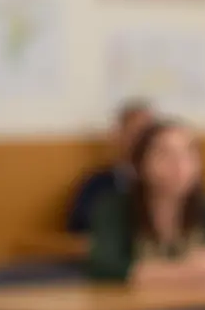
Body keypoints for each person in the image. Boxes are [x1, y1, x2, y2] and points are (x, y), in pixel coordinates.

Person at [87, 120, 205, 286]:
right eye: (165, 154)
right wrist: (184, 272)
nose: (179, 164)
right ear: (141, 163)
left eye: (188, 154)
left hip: (204, 306)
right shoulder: (114, 207)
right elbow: (103, 267)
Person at [66, 99, 154, 232]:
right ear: (118, 136)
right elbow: (80, 226)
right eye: (136, 133)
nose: (142, 142)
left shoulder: (174, 183)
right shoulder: (96, 185)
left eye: (149, 134)